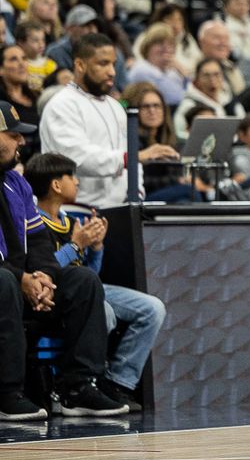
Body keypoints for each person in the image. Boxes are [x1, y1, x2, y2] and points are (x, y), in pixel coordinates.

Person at [0, 102, 128, 419]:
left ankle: (77, 387)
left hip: (24, 283)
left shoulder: (17, 183)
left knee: (83, 281)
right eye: (13, 134)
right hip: (7, 284)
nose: (22, 142)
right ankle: (7, 393)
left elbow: (40, 241)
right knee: (3, 282)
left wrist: (43, 276)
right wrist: (23, 279)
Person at [24, 153, 167, 411]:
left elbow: (90, 273)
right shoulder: (34, 222)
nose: (77, 183)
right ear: (56, 185)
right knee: (105, 312)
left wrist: (97, 247)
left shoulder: (72, 221)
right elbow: (45, 270)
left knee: (152, 308)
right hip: (54, 292)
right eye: (72, 177)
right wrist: (76, 245)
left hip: (86, 288)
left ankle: (119, 383)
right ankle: (86, 383)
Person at [41, 34, 177, 208]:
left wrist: (137, 192)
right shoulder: (62, 105)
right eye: (103, 63)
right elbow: (77, 159)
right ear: (80, 65)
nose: (112, 72)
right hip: (75, 210)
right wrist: (133, 158)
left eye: (113, 64)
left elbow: (131, 156)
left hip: (120, 209)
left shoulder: (116, 106)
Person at [172, 58, 245, 139]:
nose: (212, 80)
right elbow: (179, 133)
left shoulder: (232, 103)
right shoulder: (189, 105)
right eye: (206, 75)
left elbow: (243, 129)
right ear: (197, 79)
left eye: (216, 74)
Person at [126, 22, 189, 108]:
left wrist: (183, 72)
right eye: (160, 43)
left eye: (170, 44)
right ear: (147, 47)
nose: (166, 48)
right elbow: (174, 98)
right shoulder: (142, 69)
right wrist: (184, 74)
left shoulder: (173, 72)